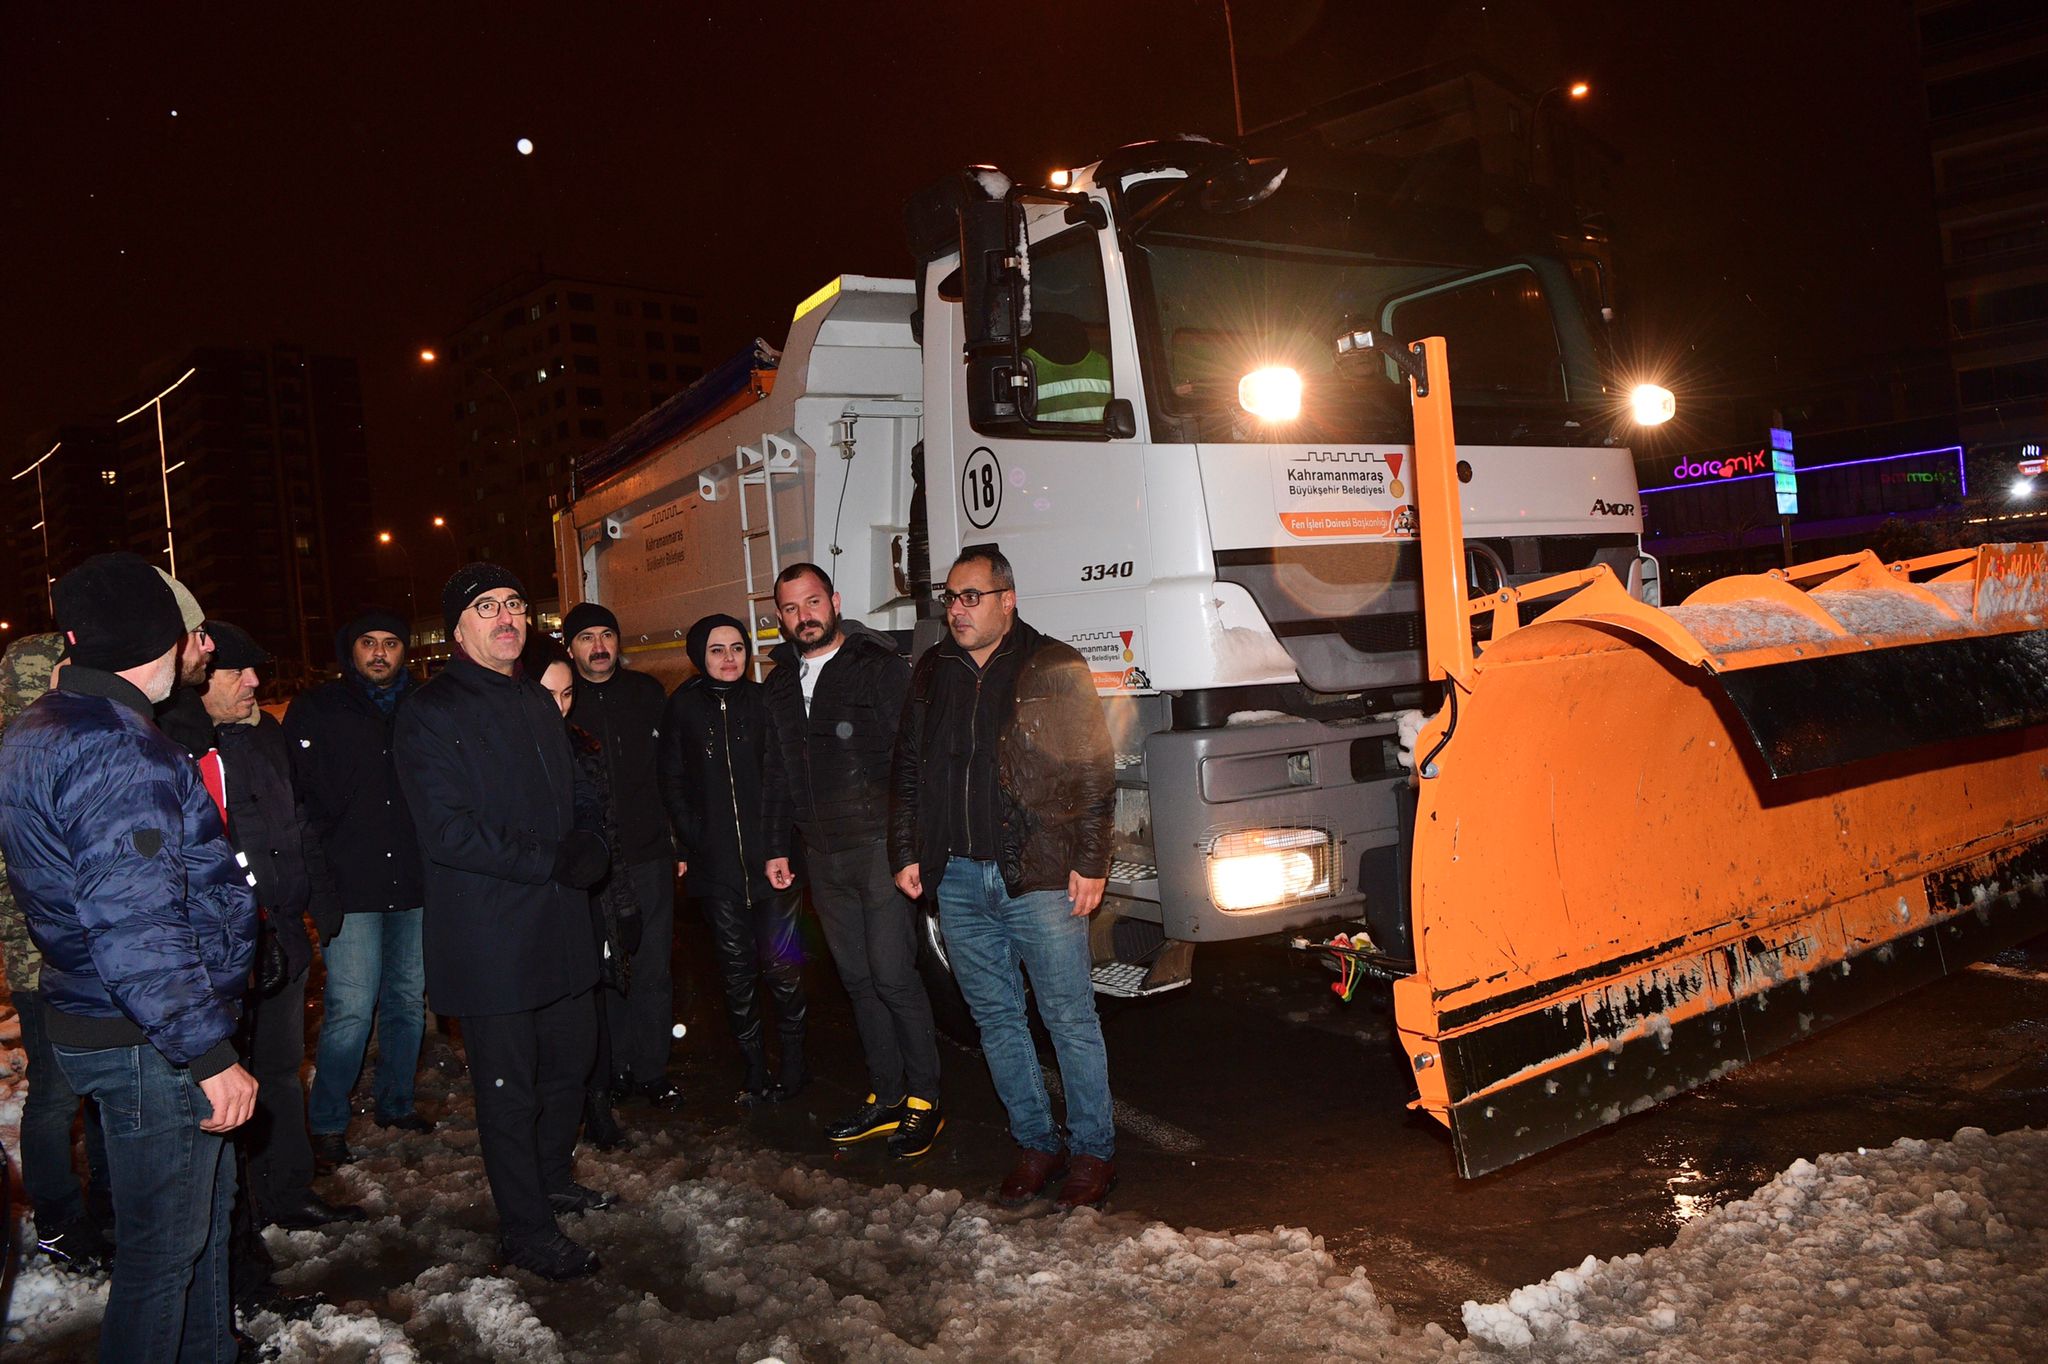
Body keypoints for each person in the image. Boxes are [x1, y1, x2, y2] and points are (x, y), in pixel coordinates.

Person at [0, 552, 258, 1362]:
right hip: (149, 1039)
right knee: (162, 1254)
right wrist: (207, 1051)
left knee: (199, 1229)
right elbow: (134, 923)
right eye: (186, 637)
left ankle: (211, 1349)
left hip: (108, 1017)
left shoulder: (44, 723)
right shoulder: (119, 750)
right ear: (157, 640)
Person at [394, 564, 611, 1281]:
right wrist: (554, 860)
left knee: (569, 1065)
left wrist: (591, 840)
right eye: (486, 608)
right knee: (508, 1089)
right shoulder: (431, 712)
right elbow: (448, 832)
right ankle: (524, 1228)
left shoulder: (532, 700)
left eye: (514, 603)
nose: (506, 616)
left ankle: (549, 1179)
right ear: (459, 629)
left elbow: (576, 790)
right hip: (493, 938)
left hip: (558, 928)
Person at [889, 546, 1119, 1209]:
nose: (955, 609)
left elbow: (1094, 771)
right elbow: (907, 766)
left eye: (970, 597)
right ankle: (1036, 1142)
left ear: (1007, 599)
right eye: (950, 598)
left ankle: (1093, 1152)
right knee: (996, 1021)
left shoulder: (1055, 666)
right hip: (957, 877)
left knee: (1069, 1020)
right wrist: (906, 850)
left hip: (1041, 876)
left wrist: (1092, 860)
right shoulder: (932, 671)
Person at [761, 563, 941, 1158]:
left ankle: (925, 1102)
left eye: (812, 602)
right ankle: (887, 1096)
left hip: (876, 850)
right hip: (821, 855)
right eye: (790, 608)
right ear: (779, 617)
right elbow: (778, 772)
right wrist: (777, 847)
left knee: (892, 975)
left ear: (834, 601)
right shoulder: (781, 682)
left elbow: (907, 762)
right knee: (859, 980)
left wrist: (907, 849)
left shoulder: (878, 667)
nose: (803, 616)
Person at [196, 622, 365, 1237]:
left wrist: (321, 902)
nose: (255, 683)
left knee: (280, 1068)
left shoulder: (267, 733)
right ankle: (234, 1213)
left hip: (285, 936)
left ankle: (288, 1189)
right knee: (223, 1086)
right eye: (237, 672)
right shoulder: (179, 744)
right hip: (221, 951)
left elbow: (299, 823)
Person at [285, 609, 430, 1168]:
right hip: (350, 885)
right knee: (350, 1006)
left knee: (406, 1002)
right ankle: (327, 1122)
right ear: (351, 650)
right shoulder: (317, 710)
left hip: (415, 881)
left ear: (404, 650)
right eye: (368, 642)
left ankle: (396, 1102)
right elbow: (297, 797)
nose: (379, 653)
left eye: (390, 642)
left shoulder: (423, 706)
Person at [0, 631, 114, 1271]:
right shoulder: (18, 759)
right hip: (42, 956)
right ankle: (61, 1221)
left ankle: (107, 1204)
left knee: (99, 1086)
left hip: (87, 952)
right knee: (53, 1095)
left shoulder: (64, 746)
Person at [659, 613, 806, 1105]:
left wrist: (778, 843)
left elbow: (783, 776)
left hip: (772, 865)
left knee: (784, 969)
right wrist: (694, 839)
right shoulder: (681, 708)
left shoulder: (763, 703)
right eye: (718, 649)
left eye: (738, 648)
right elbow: (672, 783)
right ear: (700, 656)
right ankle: (754, 1073)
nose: (729, 658)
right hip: (717, 868)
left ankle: (794, 1068)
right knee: (737, 972)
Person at [560, 601, 681, 1109]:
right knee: (602, 971)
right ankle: (612, 1071)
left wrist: (676, 840)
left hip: (650, 855)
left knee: (652, 968)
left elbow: (671, 773)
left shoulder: (647, 694)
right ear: (571, 648)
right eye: (586, 638)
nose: (599, 646)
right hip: (592, 867)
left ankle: (651, 1071)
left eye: (606, 635)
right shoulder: (562, 704)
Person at [525, 632, 640, 1152]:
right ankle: (548, 1119)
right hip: (533, 907)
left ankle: (598, 1108)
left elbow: (608, 834)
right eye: (549, 694)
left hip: (587, 902)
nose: (561, 705)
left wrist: (622, 906)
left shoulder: (584, 748)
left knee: (591, 1012)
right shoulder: (509, 753)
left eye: (568, 693)